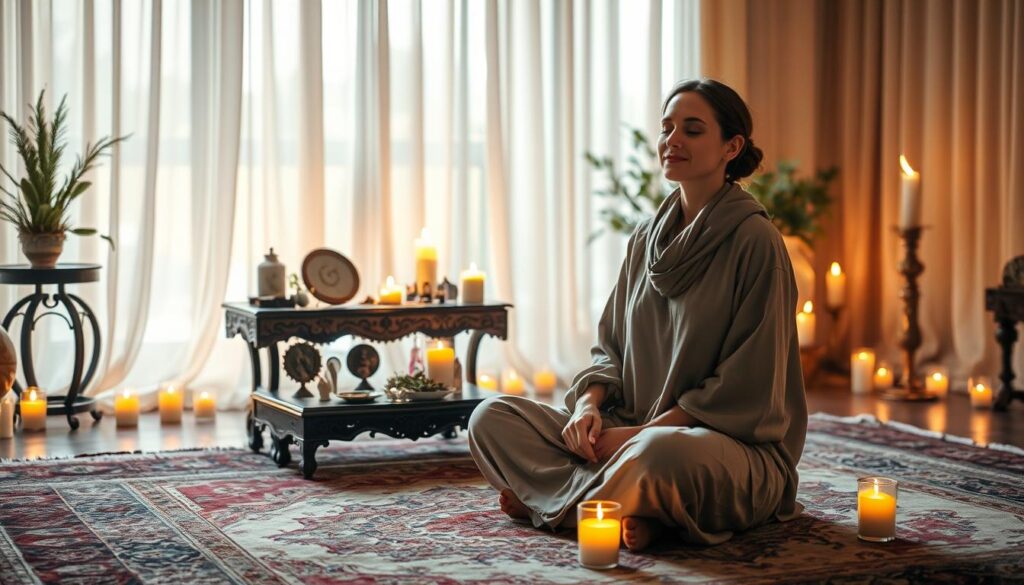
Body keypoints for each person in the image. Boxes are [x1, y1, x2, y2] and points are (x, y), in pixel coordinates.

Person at [467, 78, 807, 552]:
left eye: (692, 130)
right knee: (490, 417)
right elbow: (610, 347)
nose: (672, 140)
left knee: (657, 455)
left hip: (719, 448)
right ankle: (637, 511)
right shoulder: (646, 237)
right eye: (667, 128)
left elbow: (746, 386)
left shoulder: (756, 242)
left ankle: (558, 506)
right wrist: (587, 407)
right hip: (627, 431)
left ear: (732, 147)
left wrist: (641, 434)